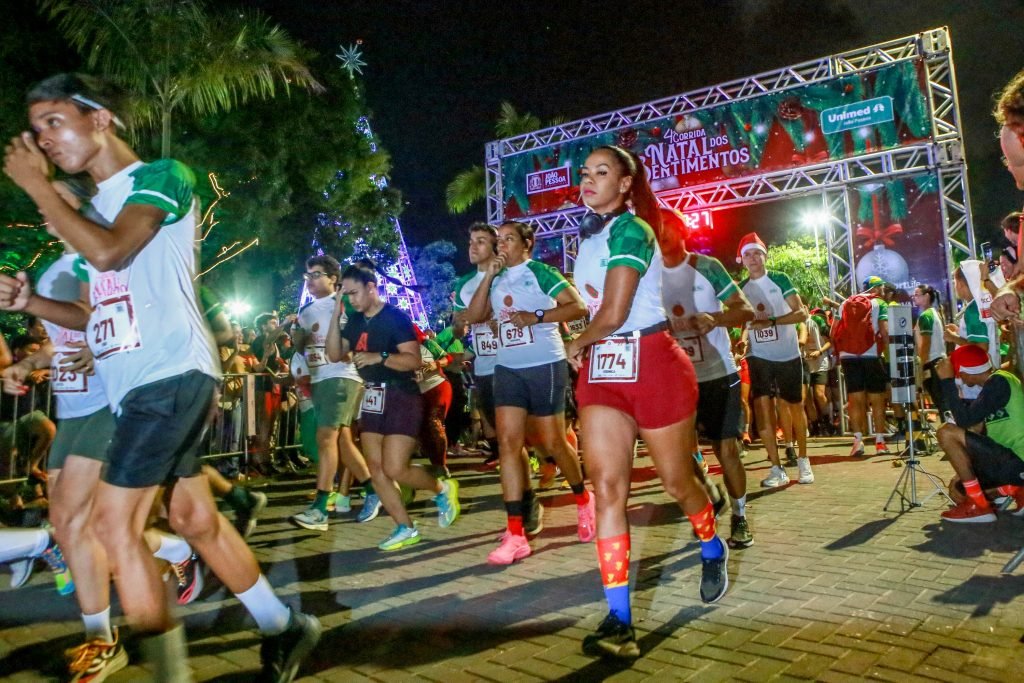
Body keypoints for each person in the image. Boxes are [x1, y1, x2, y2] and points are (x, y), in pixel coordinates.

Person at [0, 73, 320, 681]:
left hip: (169, 375)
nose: (42, 140)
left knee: (112, 525)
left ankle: (168, 673)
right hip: (139, 389)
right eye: (35, 128)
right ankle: (284, 625)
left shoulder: (161, 176)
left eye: (53, 122)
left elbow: (111, 251)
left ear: (100, 118)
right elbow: (92, 311)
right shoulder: (93, 220)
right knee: (194, 520)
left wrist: (39, 188)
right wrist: (30, 304)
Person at [567, 145, 728, 659]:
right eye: (585, 173)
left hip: (653, 363)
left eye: (602, 172)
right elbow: (595, 309)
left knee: (678, 482)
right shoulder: (587, 239)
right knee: (607, 489)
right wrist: (585, 342)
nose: (589, 180)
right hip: (604, 370)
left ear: (625, 184)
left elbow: (614, 311)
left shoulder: (633, 230)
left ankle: (711, 545)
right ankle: (619, 621)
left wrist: (577, 341)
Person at [464, 221, 592, 565]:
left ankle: (584, 499)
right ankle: (515, 533)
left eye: (509, 239)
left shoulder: (541, 272)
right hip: (507, 367)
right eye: (499, 240)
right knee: (508, 444)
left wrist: (536, 316)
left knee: (552, 442)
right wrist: (488, 277)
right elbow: (473, 317)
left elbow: (578, 307)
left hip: (544, 363)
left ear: (526, 243)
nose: (502, 245)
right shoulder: (495, 278)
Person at [327, 263, 460, 550]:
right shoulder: (354, 321)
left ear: (371, 288)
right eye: (345, 294)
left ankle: (441, 489)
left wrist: (380, 357)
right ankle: (405, 527)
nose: (351, 299)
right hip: (372, 396)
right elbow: (334, 354)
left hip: (401, 395)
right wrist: (335, 314)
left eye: (354, 292)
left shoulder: (395, 318)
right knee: (376, 469)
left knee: (395, 468)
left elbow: (413, 361)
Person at [659, 207, 756, 549]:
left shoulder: (707, 267)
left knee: (726, 449)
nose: (660, 233)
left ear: (682, 230)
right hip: (675, 377)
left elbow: (745, 310)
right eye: (655, 228)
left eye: (667, 226)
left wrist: (715, 318)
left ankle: (740, 517)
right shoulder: (648, 276)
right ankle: (712, 494)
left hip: (718, 373)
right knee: (678, 454)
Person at [289, 255, 374, 532]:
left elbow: (362, 331)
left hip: (341, 375)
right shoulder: (305, 311)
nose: (310, 281)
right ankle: (375, 490)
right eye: (307, 276)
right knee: (343, 441)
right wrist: (297, 335)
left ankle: (320, 508)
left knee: (325, 438)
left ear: (333, 278)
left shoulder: (344, 302)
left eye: (316, 275)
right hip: (319, 378)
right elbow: (301, 347)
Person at [737, 232, 813, 486]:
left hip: (787, 354)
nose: (753, 258)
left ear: (765, 256)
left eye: (757, 253)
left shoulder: (780, 279)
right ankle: (776, 468)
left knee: (794, 407)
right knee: (763, 409)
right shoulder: (741, 288)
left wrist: (771, 322)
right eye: (748, 254)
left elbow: (801, 313)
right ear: (742, 260)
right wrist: (744, 338)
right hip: (759, 356)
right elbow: (744, 320)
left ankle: (803, 461)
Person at [935, 344, 1024, 521]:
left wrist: (946, 382)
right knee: (960, 488)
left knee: (946, 433)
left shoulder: (999, 381)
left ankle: (979, 506)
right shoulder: (994, 386)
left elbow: (964, 420)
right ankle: (1016, 490)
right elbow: (975, 432)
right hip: (1010, 462)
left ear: (964, 372)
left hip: (1018, 461)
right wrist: (960, 473)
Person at [452, 222, 502, 466]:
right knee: (490, 417)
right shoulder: (464, 283)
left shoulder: (507, 276)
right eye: (471, 242)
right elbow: (458, 330)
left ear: (495, 246)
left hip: (515, 362)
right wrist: (458, 325)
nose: (473, 247)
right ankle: (501, 456)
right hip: (483, 365)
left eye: (480, 241)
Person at [836, 276, 891, 457]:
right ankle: (880, 442)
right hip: (871, 353)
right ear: (876, 288)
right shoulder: (880, 303)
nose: (883, 291)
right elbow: (884, 331)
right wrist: (888, 350)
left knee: (855, 399)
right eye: (881, 288)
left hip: (848, 356)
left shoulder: (845, 303)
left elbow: (834, 331)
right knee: (877, 399)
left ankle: (857, 441)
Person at [913, 284, 948, 415]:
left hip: (932, 363)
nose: (914, 297)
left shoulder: (925, 316)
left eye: (917, 295)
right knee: (942, 401)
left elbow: (926, 343)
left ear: (926, 296)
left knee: (940, 401)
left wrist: (920, 366)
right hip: (940, 360)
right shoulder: (935, 313)